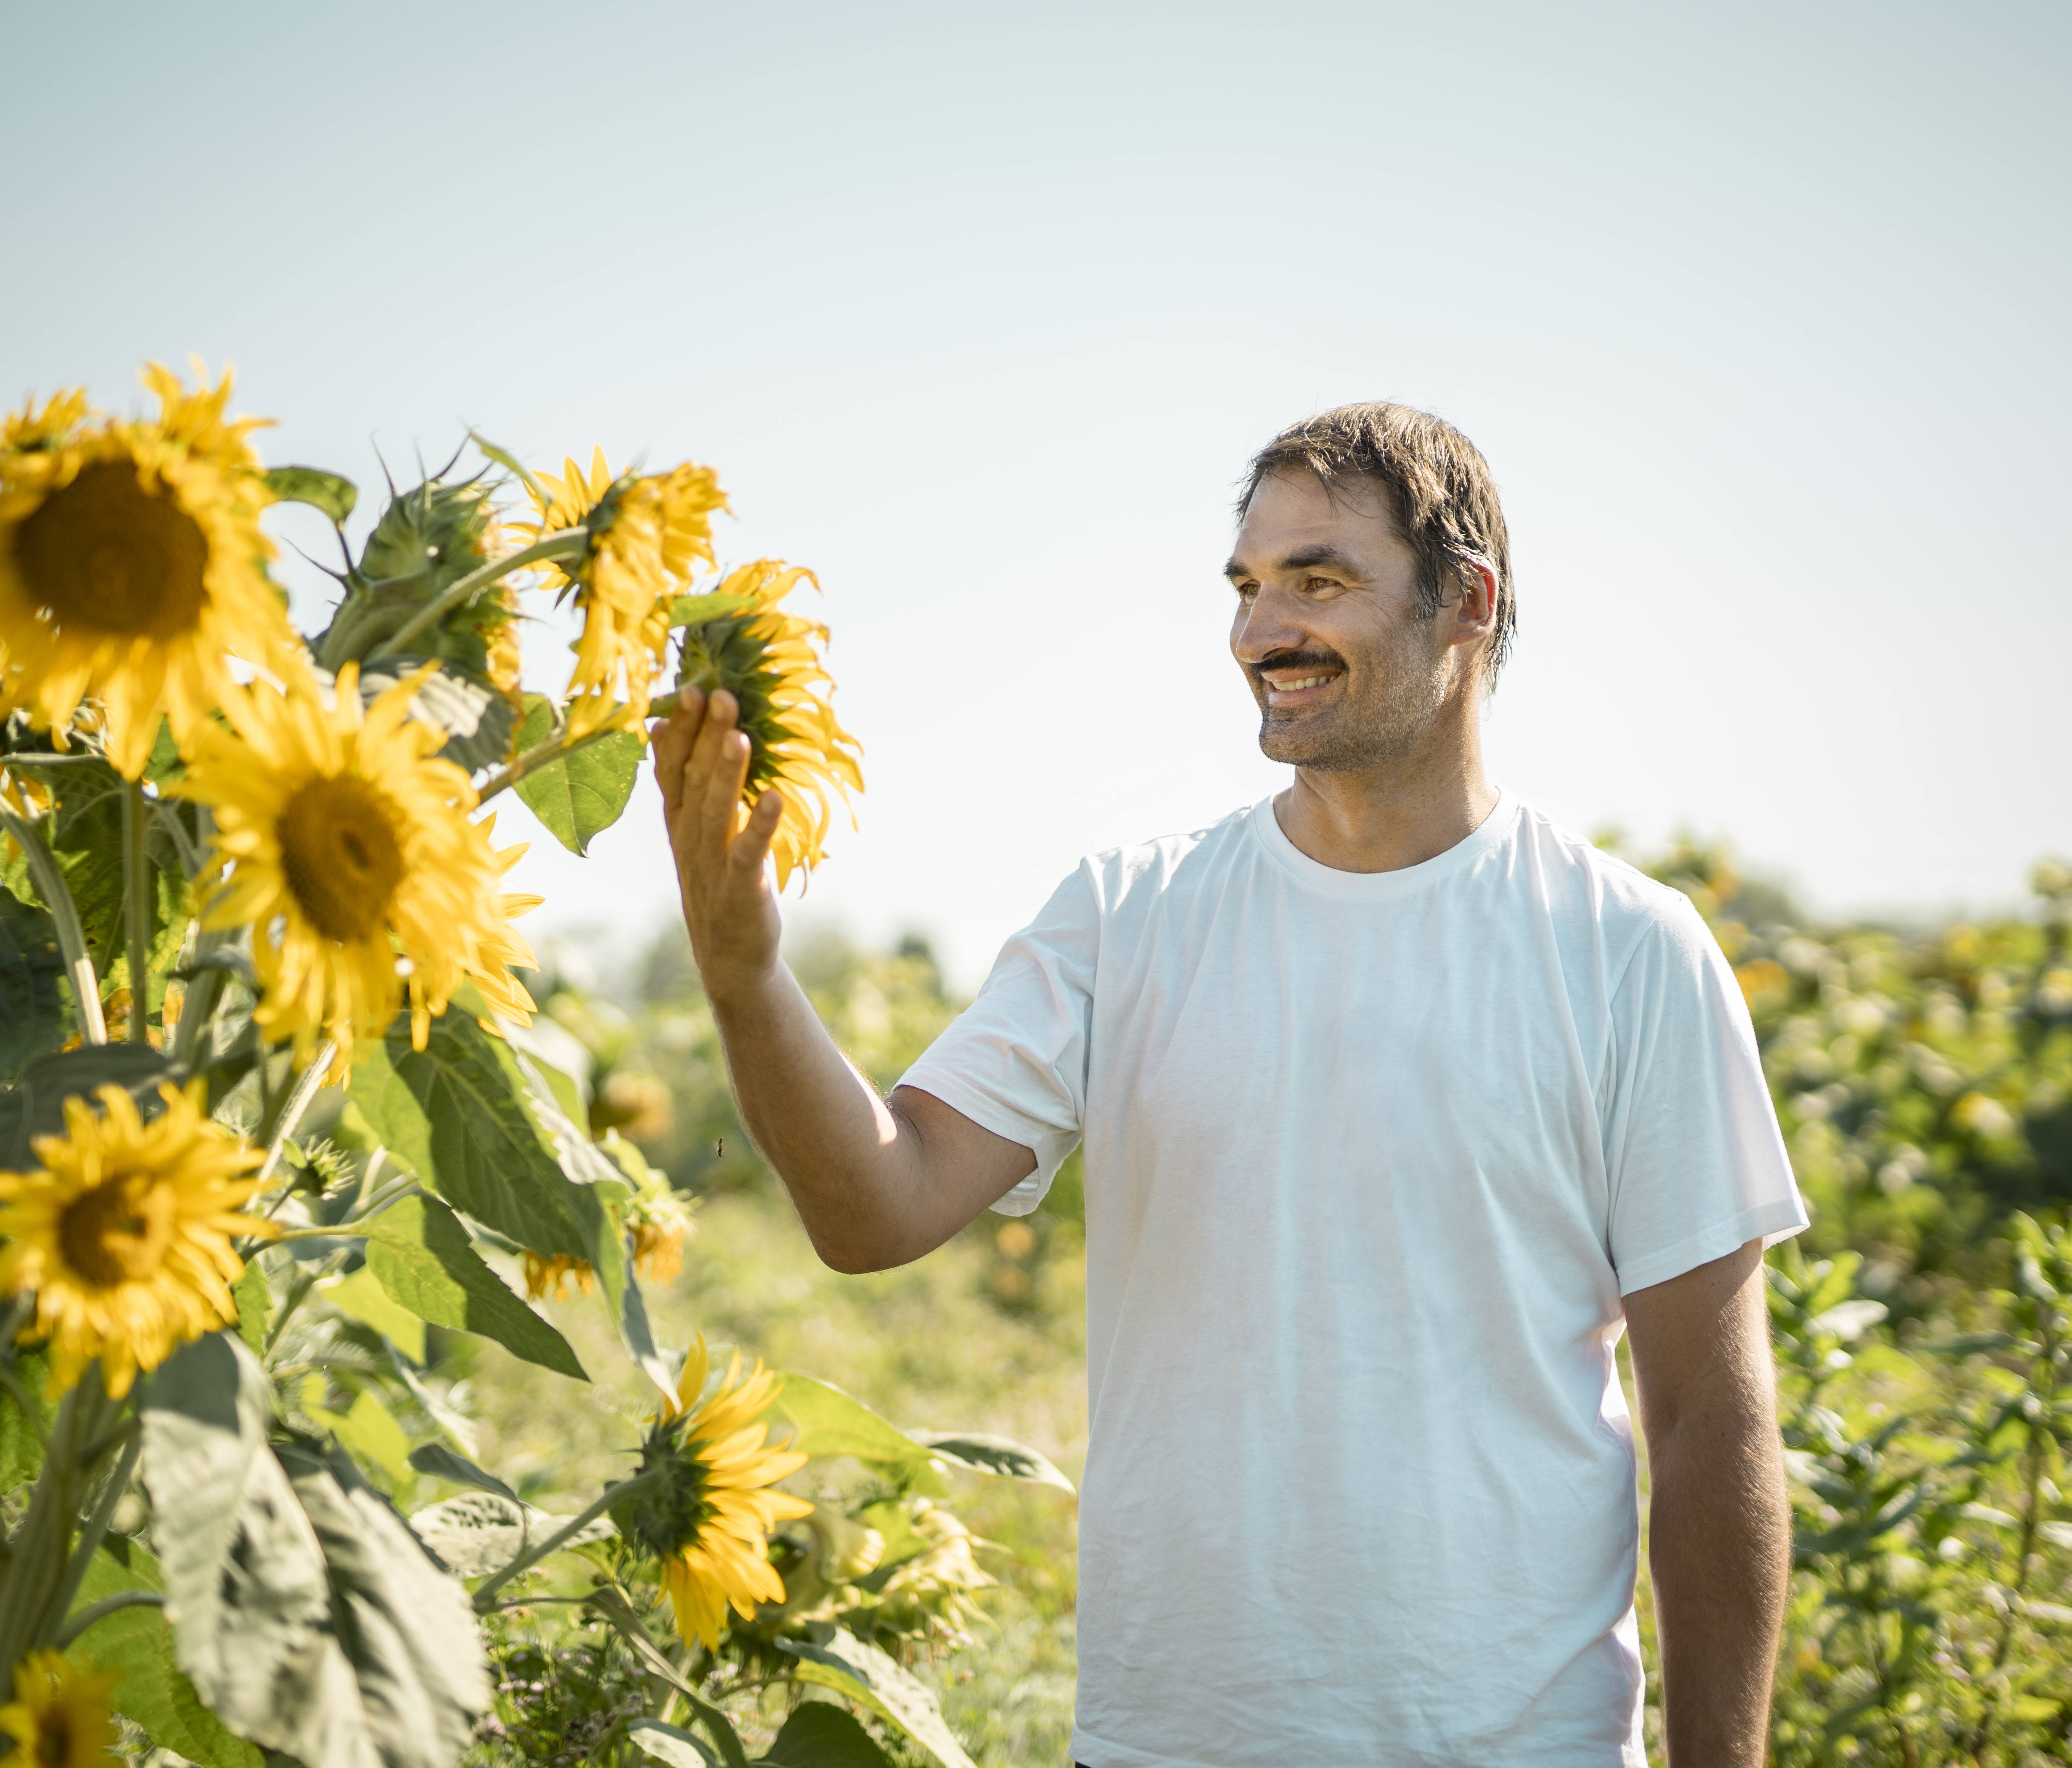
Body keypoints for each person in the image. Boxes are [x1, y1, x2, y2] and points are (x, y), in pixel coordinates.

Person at [652, 401, 1804, 1768]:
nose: (1264, 630)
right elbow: (878, 1209)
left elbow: (1710, 1419)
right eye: (1250, 588)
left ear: (1467, 603)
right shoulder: (1127, 916)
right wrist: (744, 971)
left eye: (1319, 580)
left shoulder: (1627, 952)